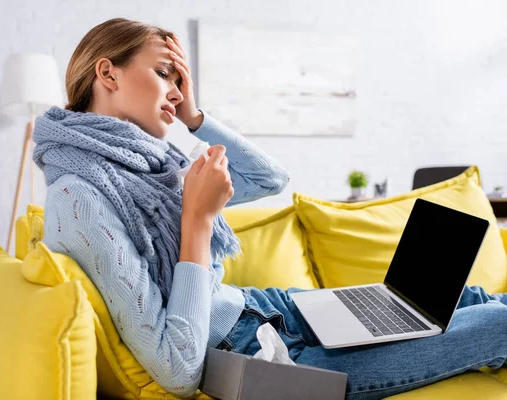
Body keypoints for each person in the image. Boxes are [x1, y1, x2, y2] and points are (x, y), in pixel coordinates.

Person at [33, 18, 507, 400]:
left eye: (179, 81)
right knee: (498, 324)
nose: (176, 92)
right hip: (263, 356)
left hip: (262, 308)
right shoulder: (81, 197)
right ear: (107, 72)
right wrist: (196, 221)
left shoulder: (145, 174)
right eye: (164, 74)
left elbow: (269, 179)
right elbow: (177, 370)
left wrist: (196, 118)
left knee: (463, 299)